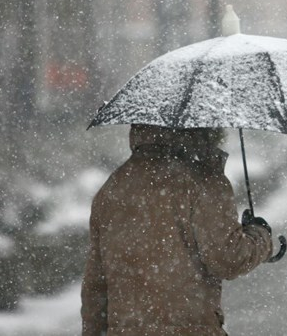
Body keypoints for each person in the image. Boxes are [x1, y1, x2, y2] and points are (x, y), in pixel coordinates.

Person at [81, 124, 273, 336]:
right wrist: (260, 236)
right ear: (205, 128)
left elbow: (95, 286)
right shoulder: (203, 181)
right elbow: (228, 258)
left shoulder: (113, 187)